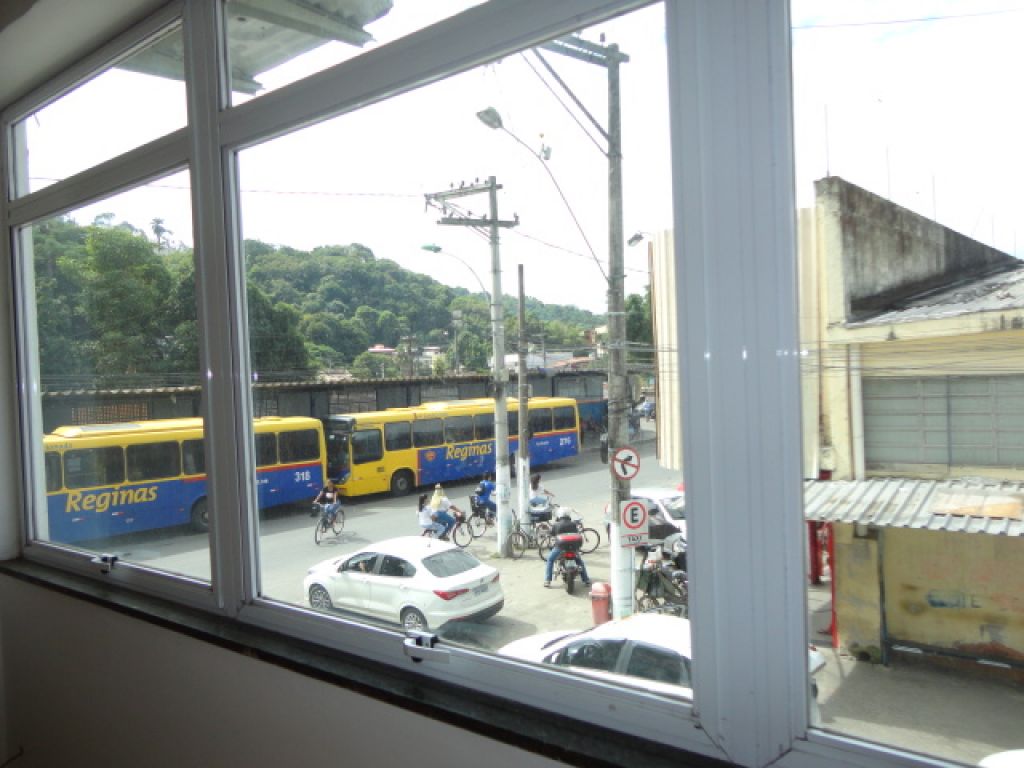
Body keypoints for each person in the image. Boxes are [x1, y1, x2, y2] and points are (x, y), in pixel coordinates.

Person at [544, 508, 591, 588]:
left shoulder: (556, 524)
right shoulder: (573, 524)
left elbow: (552, 535)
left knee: (550, 559)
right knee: (579, 561)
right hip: (573, 547)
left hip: (560, 546)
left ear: (560, 515)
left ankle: (547, 580)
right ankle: (586, 580)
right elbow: (576, 534)